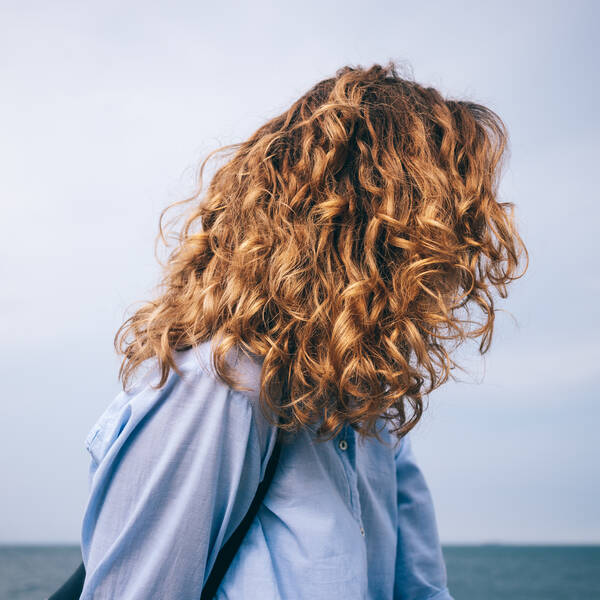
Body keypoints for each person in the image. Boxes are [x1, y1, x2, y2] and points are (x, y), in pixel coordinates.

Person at [78, 62, 528, 599]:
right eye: (447, 217)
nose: (464, 245)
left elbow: (422, 591)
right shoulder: (220, 385)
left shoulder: (371, 413)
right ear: (377, 229)